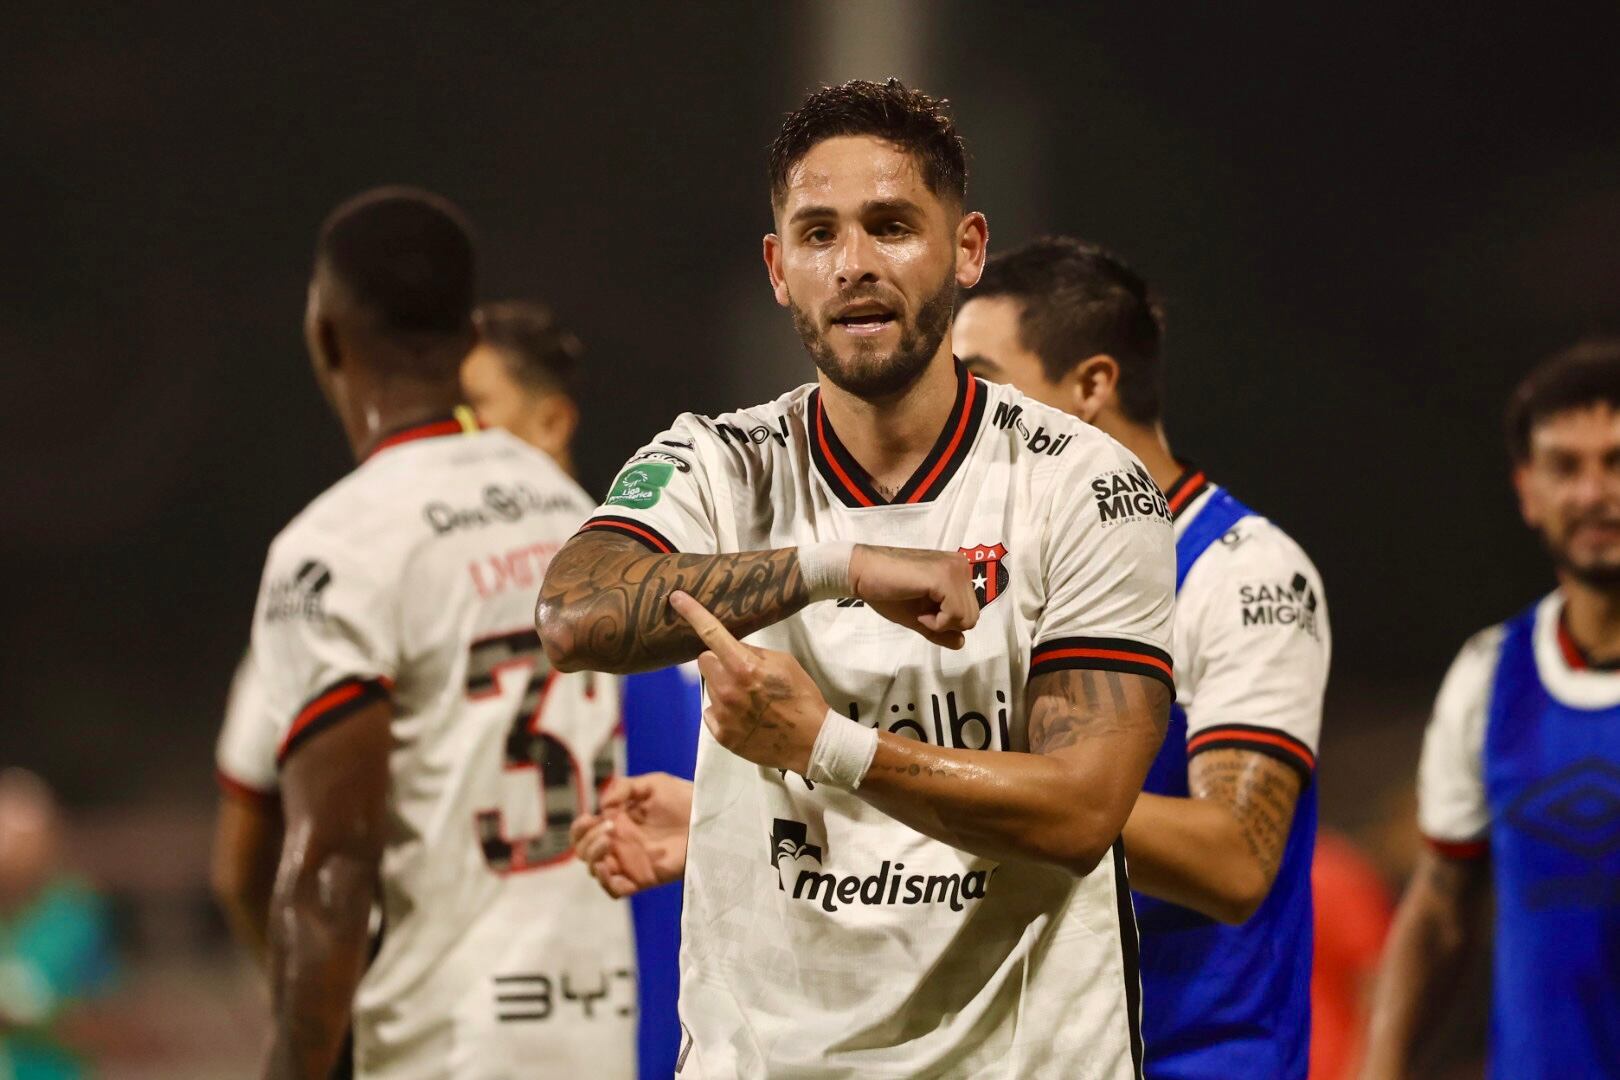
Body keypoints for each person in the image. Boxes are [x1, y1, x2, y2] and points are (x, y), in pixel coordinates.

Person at [542, 79, 1176, 1078]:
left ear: (966, 249)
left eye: (891, 226)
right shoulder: (718, 462)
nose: (855, 265)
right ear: (778, 268)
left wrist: (826, 745)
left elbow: (1080, 810)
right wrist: (834, 566)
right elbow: (574, 613)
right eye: (819, 233)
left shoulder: (1085, 486)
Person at [252, 187, 633, 1079]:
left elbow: (332, 868)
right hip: (609, 1023)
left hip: (447, 1041)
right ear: (470, 339)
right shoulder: (569, 508)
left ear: (325, 334)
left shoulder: (334, 548)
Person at [951, 237, 1332, 1079]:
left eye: (981, 383)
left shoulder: (1241, 572)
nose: (957, 415)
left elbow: (1235, 860)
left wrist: (987, 786)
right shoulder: (1002, 579)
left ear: (1091, 386)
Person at [1361, 339, 1620, 1080]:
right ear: (1528, 491)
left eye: (1616, 461)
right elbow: (1439, 911)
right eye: (1566, 467)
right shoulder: (1490, 676)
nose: (1594, 492)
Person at [460, 299, 703, 1080]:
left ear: (552, 423)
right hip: (483, 1020)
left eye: (473, 414)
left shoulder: (654, 596)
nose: (451, 443)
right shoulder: (417, 589)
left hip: (613, 1010)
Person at [0, 769, 115, 1080]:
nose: (11, 851)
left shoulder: (76, 912)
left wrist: (31, 1017)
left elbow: (105, 1017)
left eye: (22, 838)